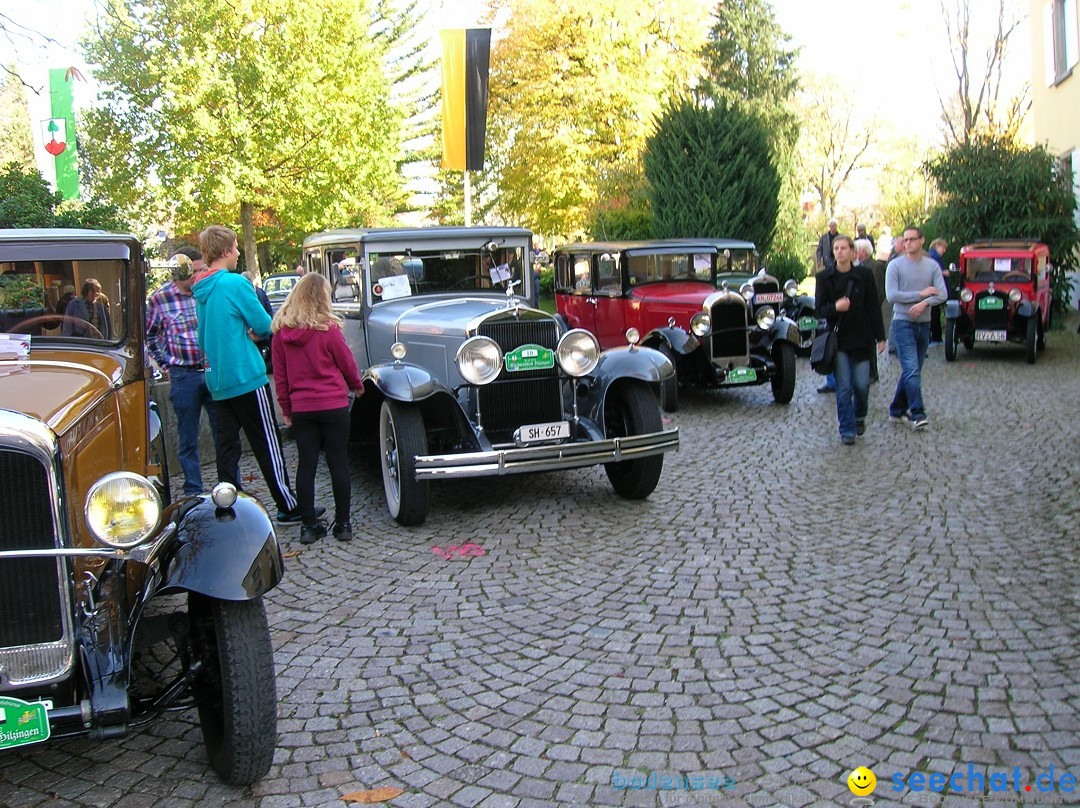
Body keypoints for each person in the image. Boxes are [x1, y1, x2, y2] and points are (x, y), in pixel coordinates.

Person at [192, 225, 314, 524]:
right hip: (245, 374)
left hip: (217, 378)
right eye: (234, 248)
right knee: (266, 443)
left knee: (227, 447)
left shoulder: (201, 289)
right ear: (225, 252)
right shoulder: (234, 284)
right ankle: (287, 504)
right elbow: (264, 325)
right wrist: (255, 334)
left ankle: (228, 503)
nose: (237, 254)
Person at [271, 274, 364, 544]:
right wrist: (356, 386)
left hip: (302, 408)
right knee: (338, 464)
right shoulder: (328, 329)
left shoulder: (281, 334)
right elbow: (346, 363)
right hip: (333, 404)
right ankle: (343, 524)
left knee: (306, 465)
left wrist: (286, 409)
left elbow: (281, 377)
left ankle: (309, 526)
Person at [146, 247, 224, 496]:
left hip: (212, 371)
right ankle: (194, 491)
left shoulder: (207, 293)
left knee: (222, 432)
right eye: (195, 270)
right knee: (187, 437)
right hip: (183, 374)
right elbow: (151, 335)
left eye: (201, 269)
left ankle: (228, 487)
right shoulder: (160, 299)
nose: (199, 275)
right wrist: (166, 365)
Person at [816, 236, 887, 445]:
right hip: (838, 340)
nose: (839, 252)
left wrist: (880, 337)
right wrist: (835, 308)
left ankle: (859, 416)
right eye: (836, 248)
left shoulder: (864, 275)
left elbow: (873, 307)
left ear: (852, 251)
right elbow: (819, 310)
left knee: (862, 385)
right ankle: (847, 429)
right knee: (844, 387)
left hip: (861, 339)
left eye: (843, 248)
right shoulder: (824, 278)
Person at [885, 226, 947, 430]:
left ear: (922, 240)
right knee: (911, 368)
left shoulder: (932, 266)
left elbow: (942, 294)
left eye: (912, 239)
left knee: (913, 370)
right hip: (902, 323)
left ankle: (896, 408)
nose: (908, 243)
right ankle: (917, 413)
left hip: (924, 323)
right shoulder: (895, 266)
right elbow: (892, 296)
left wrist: (925, 303)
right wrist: (920, 295)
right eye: (905, 240)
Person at [855, 238, 885, 383]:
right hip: (861, 313)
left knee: (870, 344)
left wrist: (872, 308)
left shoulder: (875, 266)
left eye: (856, 250)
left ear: (864, 251)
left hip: (870, 311)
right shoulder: (859, 266)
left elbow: (879, 290)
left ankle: (873, 373)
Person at [927, 238, 948, 345]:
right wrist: (943, 272)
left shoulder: (933, 256)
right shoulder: (933, 256)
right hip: (934, 289)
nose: (944, 251)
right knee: (934, 314)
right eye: (943, 248)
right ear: (937, 245)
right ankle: (934, 338)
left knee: (935, 313)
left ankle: (936, 338)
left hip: (934, 289)